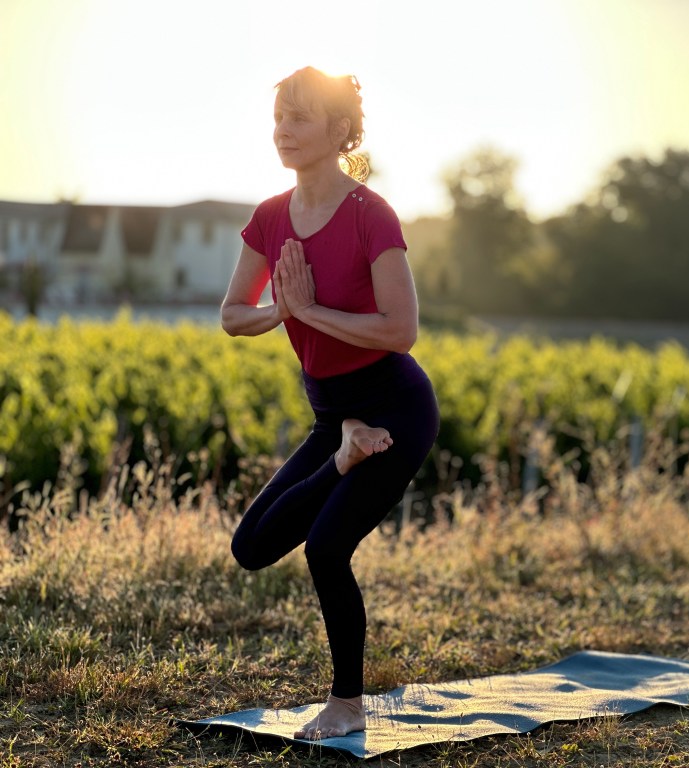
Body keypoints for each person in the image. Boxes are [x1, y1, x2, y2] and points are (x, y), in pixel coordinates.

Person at [220, 66, 440, 740]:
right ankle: (343, 455)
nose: (284, 131)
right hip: (334, 419)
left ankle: (346, 705)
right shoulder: (269, 216)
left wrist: (310, 311)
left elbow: (400, 331)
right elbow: (234, 314)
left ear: (339, 130)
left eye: (301, 117)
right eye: (279, 117)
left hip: (394, 408)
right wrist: (281, 312)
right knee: (252, 548)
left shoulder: (371, 216)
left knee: (326, 547)